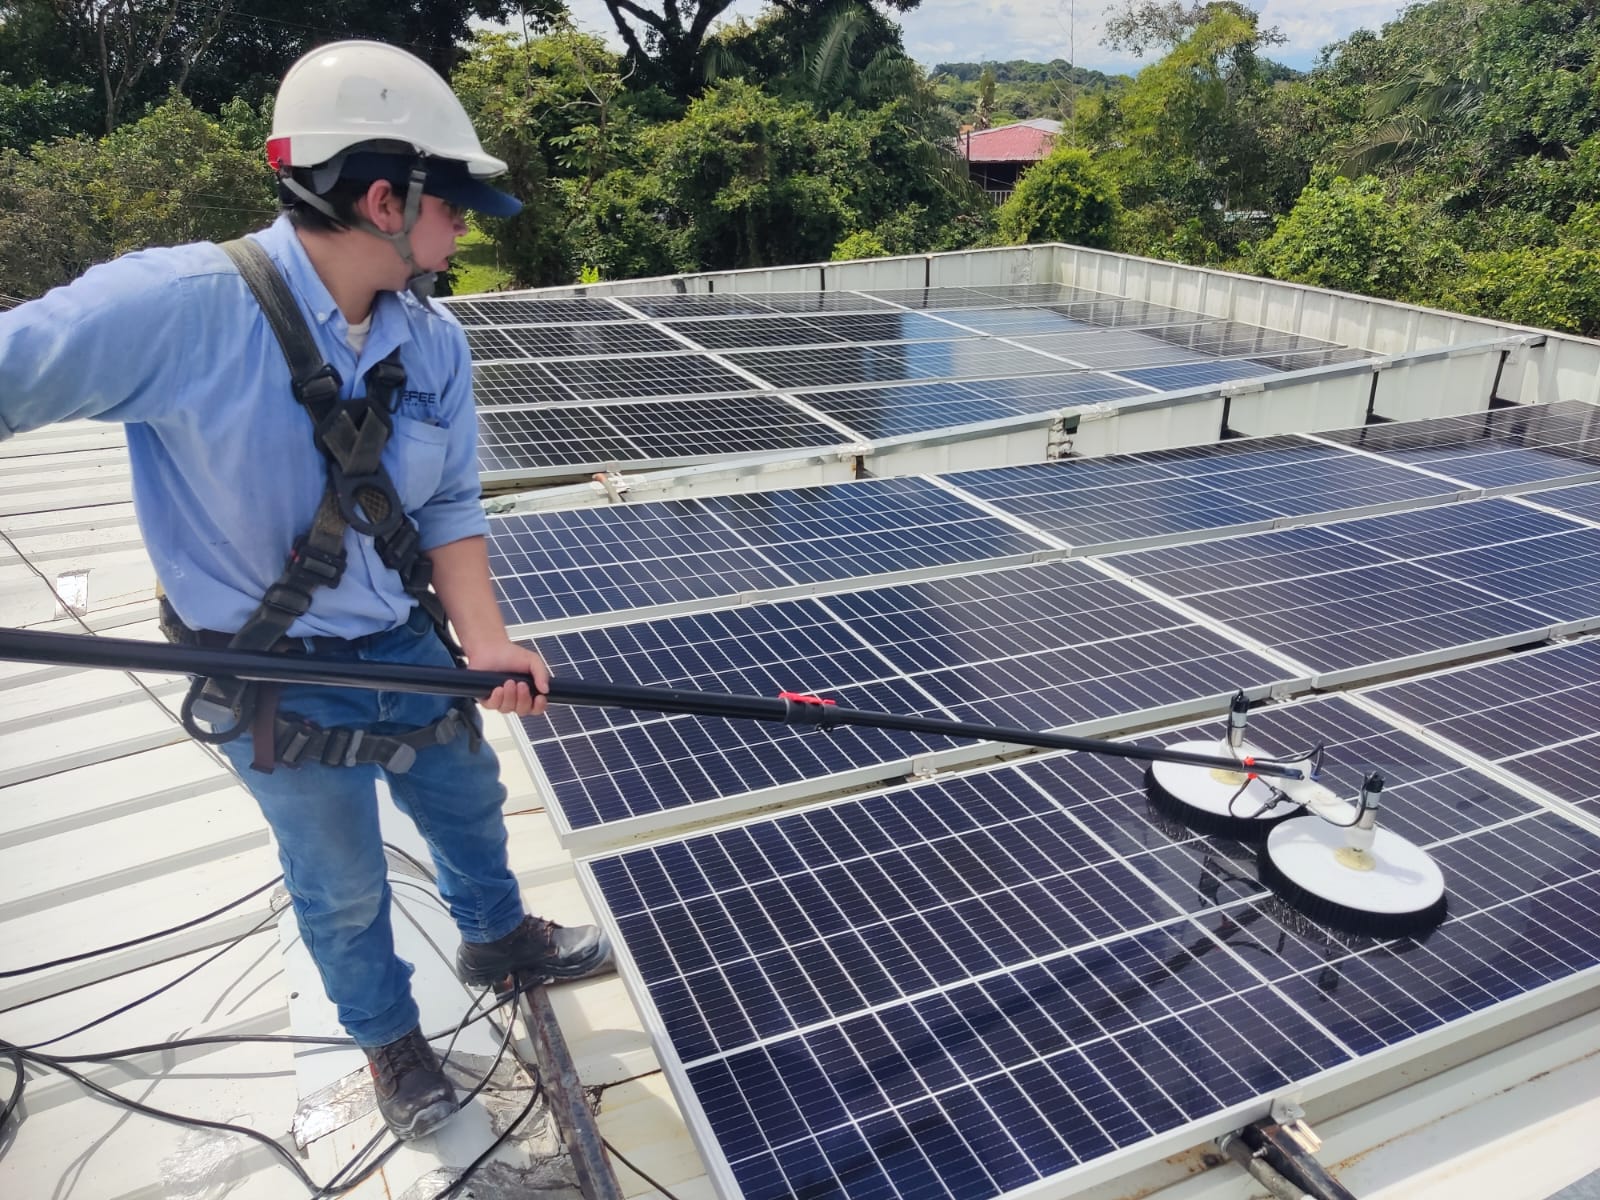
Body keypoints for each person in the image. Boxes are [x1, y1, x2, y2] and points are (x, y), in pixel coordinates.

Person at [0, 40, 611, 1142]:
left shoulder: (433, 345)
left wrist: (486, 643)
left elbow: (450, 508)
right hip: (270, 673)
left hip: (404, 642)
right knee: (339, 880)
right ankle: (389, 1040)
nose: (464, 231)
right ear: (385, 200)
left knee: (468, 800)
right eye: (454, 205)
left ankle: (495, 937)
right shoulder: (179, 308)